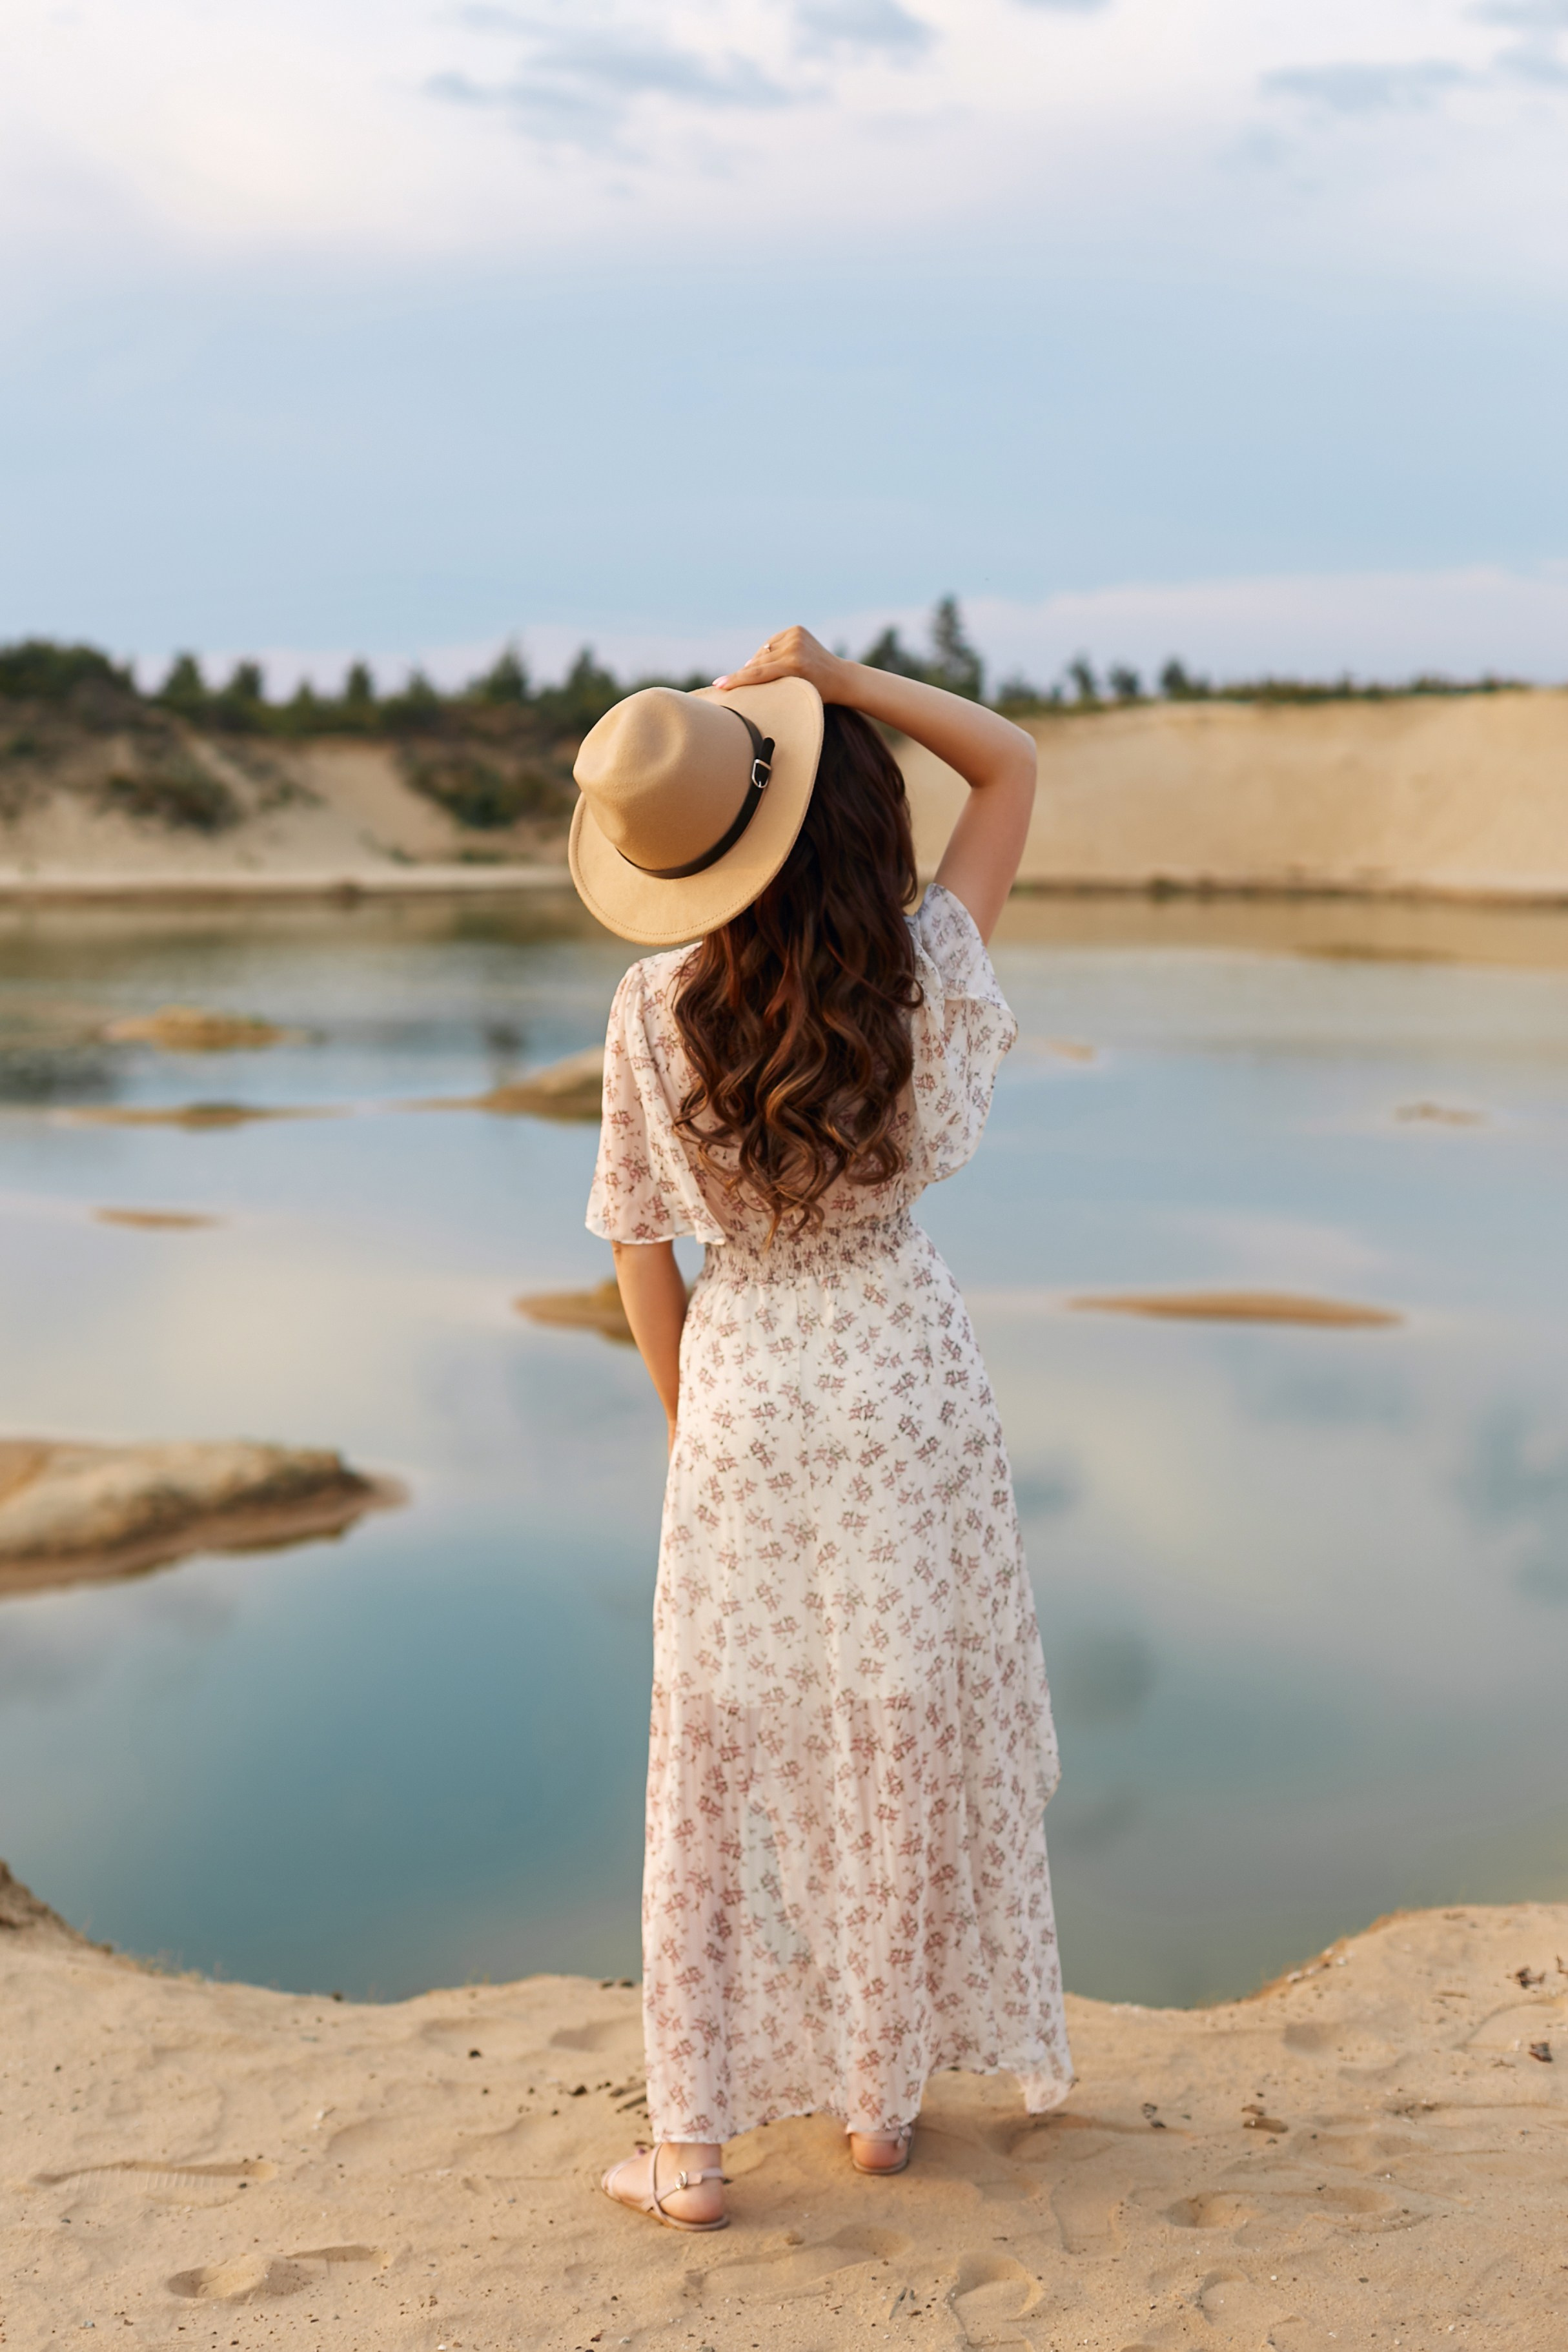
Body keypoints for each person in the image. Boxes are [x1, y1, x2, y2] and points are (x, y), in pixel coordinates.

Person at [570, 624, 1072, 2233]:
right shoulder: (916, 967)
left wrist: (688, 1426)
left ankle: (697, 2151)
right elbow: (1011, 762)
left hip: (745, 1380)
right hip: (902, 1373)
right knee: (895, 1719)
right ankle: (877, 2104)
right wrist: (848, 684)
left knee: (717, 1750)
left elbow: (642, 1247)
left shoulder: (651, 1008)